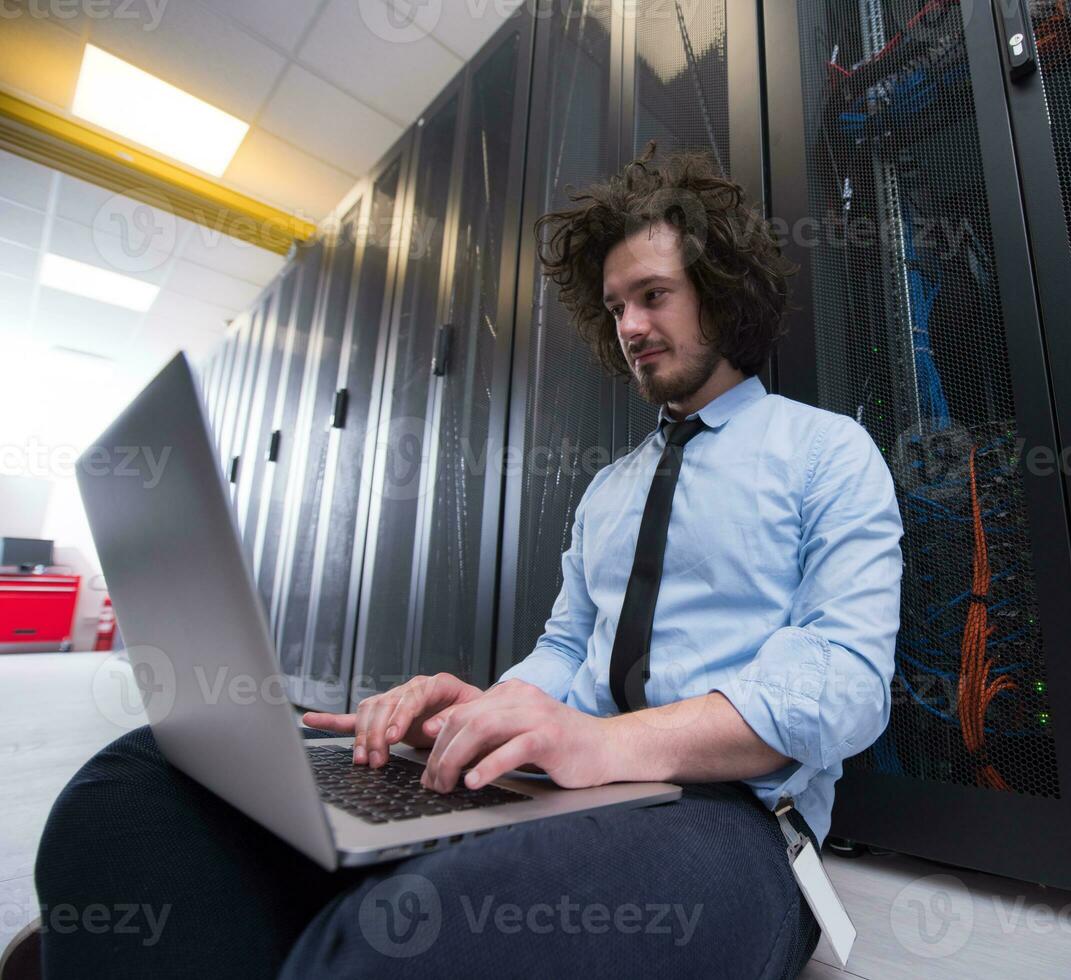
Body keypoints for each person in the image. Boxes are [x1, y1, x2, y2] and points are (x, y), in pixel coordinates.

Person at [33, 145, 902, 978]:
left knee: (412, 937)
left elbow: (845, 682)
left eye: (654, 295)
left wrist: (603, 743)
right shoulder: (607, 489)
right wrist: (482, 714)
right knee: (134, 785)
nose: (631, 327)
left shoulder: (825, 451)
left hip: (734, 821)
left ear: (719, 291)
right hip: (557, 787)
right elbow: (564, 651)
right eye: (614, 307)